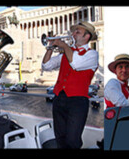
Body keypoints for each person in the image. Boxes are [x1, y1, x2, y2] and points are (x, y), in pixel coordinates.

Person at [41, 21, 99, 149]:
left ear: (87, 36)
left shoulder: (92, 54)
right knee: (60, 138)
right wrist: (50, 48)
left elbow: (76, 64)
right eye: (73, 31)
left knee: (73, 140)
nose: (73, 34)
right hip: (59, 98)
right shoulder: (65, 54)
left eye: (77, 32)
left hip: (77, 101)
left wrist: (63, 45)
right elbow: (46, 66)